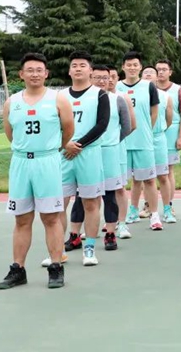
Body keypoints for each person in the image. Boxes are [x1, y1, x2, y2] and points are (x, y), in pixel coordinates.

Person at [0, 53, 74, 290]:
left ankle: (56, 267)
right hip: (21, 163)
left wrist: (53, 148)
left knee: (51, 217)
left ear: (46, 73)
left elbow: (68, 129)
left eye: (39, 70)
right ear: (21, 74)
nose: (34, 74)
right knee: (21, 218)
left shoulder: (57, 99)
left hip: (47, 161)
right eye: (29, 70)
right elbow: (10, 133)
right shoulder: (12, 102)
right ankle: (18, 269)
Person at [67, 64, 132, 251]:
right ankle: (74, 235)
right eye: (98, 77)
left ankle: (110, 233)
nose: (103, 81)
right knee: (81, 195)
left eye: (106, 77)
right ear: (90, 77)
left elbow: (127, 127)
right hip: (85, 151)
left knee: (110, 194)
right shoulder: (83, 98)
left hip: (109, 152)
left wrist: (112, 142)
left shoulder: (117, 99)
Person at [58, 52, 109, 267]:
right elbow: (54, 124)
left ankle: (89, 248)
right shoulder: (60, 96)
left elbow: (102, 124)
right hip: (64, 154)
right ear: (69, 71)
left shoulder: (99, 95)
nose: (78, 68)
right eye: (74, 65)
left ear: (90, 71)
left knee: (91, 203)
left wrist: (78, 144)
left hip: (88, 154)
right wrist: (65, 144)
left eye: (82, 65)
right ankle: (57, 250)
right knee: (58, 204)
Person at [118, 51, 162, 231]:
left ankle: (154, 215)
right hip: (122, 142)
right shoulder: (117, 87)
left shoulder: (148, 86)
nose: (132, 68)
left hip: (143, 141)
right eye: (128, 65)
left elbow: (154, 112)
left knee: (149, 180)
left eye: (135, 65)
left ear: (140, 67)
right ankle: (127, 214)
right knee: (120, 183)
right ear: (123, 67)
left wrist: (147, 130)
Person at [155, 59, 181, 220]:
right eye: (158, 69)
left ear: (170, 72)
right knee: (147, 173)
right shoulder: (149, 89)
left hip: (171, 133)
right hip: (152, 133)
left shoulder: (178, 90)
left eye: (164, 69)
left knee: (168, 170)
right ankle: (149, 205)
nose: (161, 72)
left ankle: (169, 205)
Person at [142, 67, 175, 223]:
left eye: (152, 73)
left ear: (157, 77)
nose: (148, 74)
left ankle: (167, 210)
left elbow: (169, 119)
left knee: (163, 176)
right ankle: (145, 208)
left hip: (158, 137)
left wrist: (158, 130)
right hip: (142, 139)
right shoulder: (137, 94)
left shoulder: (165, 96)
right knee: (144, 177)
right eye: (145, 72)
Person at [108, 64, 135, 240]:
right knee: (96, 190)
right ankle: (104, 222)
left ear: (118, 79)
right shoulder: (93, 97)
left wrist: (113, 141)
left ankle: (122, 223)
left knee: (119, 187)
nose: (109, 80)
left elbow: (131, 125)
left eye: (113, 77)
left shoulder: (122, 98)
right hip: (95, 151)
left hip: (116, 150)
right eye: (106, 77)